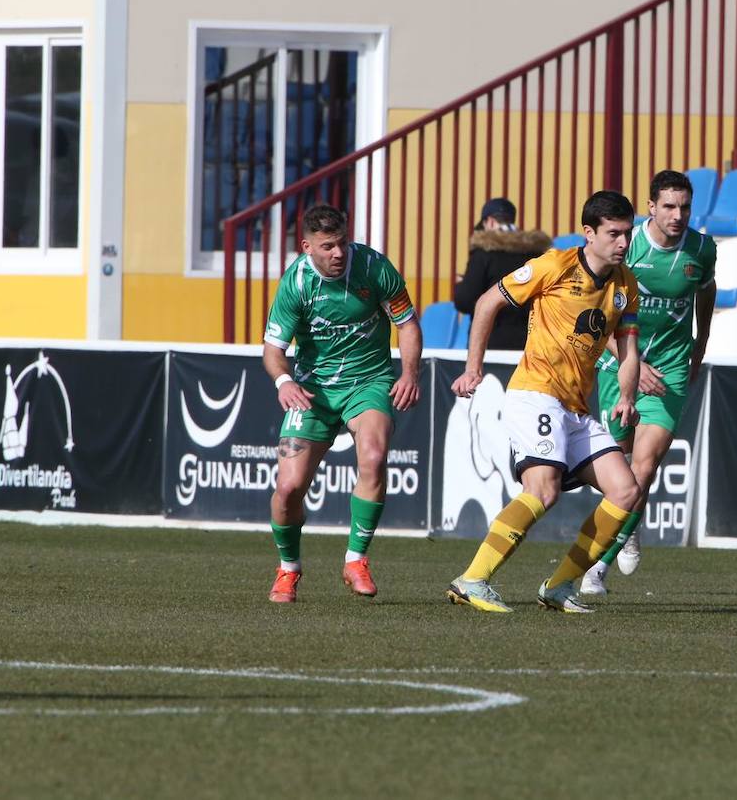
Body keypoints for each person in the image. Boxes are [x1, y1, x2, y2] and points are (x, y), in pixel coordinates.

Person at [446, 190, 643, 614]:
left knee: (626, 490)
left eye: (628, 233)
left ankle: (559, 586)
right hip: (535, 393)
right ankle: (472, 580)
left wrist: (627, 395)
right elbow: (486, 302)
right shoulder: (555, 264)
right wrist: (473, 369)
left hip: (575, 407)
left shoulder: (626, 284)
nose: (624, 243)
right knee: (543, 489)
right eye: (614, 234)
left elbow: (628, 349)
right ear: (589, 233)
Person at [262, 204, 423, 603]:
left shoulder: (373, 267)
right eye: (328, 246)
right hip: (312, 388)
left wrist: (409, 374)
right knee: (288, 488)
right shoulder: (296, 283)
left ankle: (356, 560)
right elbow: (273, 349)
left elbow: (407, 324)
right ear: (307, 247)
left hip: (368, 381)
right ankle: (288, 569)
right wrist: (283, 381)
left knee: (373, 455)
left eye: (343, 243)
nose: (338, 253)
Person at [580, 170, 717, 596]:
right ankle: (630, 522)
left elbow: (706, 295)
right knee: (618, 464)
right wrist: (632, 364)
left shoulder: (701, 249)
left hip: (672, 367)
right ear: (651, 207)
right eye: (669, 206)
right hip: (617, 362)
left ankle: (596, 566)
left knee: (645, 464)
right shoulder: (628, 247)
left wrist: (700, 345)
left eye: (685, 207)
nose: (678, 216)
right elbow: (596, 312)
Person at [452, 198, 552, 350]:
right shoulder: (536, 252)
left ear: (490, 222)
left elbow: (465, 301)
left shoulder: (484, 252)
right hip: (529, 345)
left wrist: (460, 284)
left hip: (490, 344)